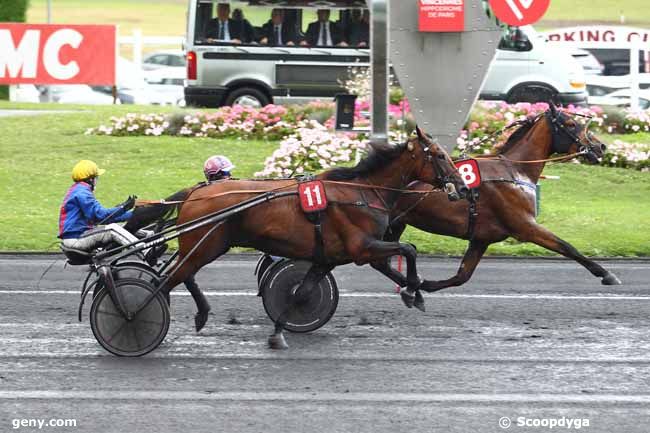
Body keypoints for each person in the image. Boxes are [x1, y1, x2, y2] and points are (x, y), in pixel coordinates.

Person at [58, 160, 138, 253]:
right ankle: (145, 250)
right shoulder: (82, 193)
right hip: (76, 239)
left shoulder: (79, 190)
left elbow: (103, 219)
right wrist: (123, 208)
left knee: (124, 227)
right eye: (97, 177)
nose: (97, 180)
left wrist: (133, 215)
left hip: (78, 237)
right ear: (91, 179)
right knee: (112, 229)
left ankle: (150, 235)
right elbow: (100, 216)